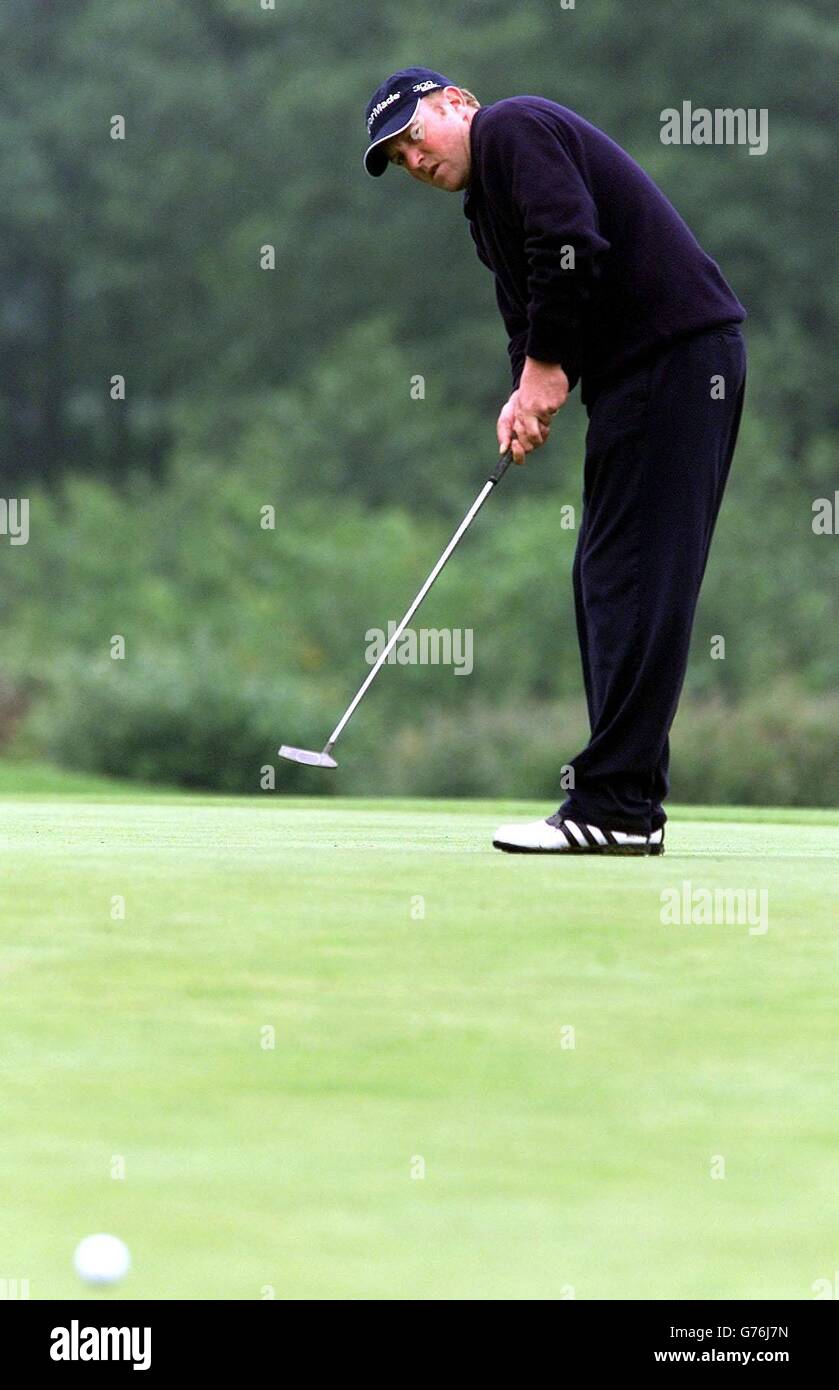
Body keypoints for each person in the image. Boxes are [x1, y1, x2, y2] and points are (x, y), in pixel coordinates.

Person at [363, 68, 747, 856]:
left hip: (675, 361)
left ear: (456, 103)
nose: (413, 159)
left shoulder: (510, 127)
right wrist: (525, 387)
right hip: (645, 376)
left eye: (413, 135)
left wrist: (546, 368)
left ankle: (614, 805)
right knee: (607, 579)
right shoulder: (485, 211)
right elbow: (531, 303)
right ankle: (623, 803)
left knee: (631, 578)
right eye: (398, 157)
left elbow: (569, 241)